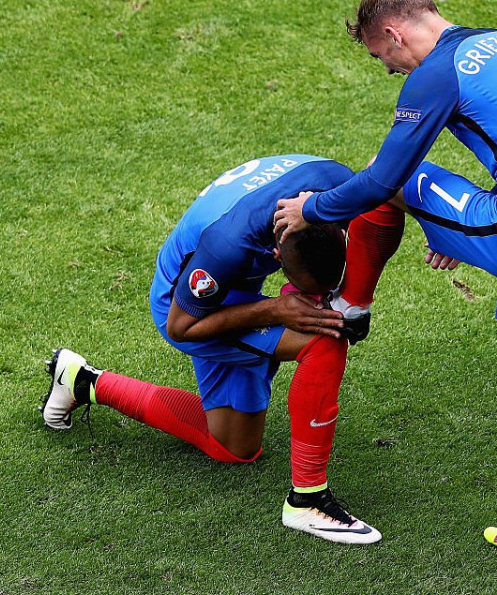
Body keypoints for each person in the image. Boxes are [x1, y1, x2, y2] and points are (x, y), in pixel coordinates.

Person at [274, 0, 497, 565]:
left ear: (394, 33)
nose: (395, 72)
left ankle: (351, 304)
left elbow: (384, 180)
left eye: (387, 61)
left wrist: (312, 209)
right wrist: (458, 227)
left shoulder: (436, 73)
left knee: (396, 173)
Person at [41, 153, 381, 545]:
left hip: (237, 282)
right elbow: (181, 327)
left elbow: (384, 204)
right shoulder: (228, 245)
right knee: (325, 340)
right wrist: (275, 308)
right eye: (300, 284)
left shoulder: (339, 187)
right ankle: (307, 501)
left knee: (234, 447)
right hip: (186, 305)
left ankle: (80, 380)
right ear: (275, 253)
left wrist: (350, 299)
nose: (318, 297)